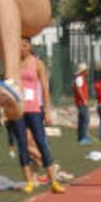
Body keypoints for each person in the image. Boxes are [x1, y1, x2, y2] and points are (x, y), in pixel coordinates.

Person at [13, 39, 66, 194]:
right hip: (18, 110)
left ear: (30, 46)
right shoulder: (14, 64)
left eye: (24, 45)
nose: (21, 48)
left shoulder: (38, 63)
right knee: (22, 145)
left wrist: (47, 111)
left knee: (42, 143)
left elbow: (44, 87)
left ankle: (54, 181)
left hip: (34, 109)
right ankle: (29, 181)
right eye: (19, 45)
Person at [73, 63, 93, 144]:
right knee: (85, 119)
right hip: (81, 102)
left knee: (82, 120)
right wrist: (84, 100)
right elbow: (79, 89)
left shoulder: (81, 78)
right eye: (86, 70)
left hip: (81, 102)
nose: (88, 71)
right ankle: (83, 137)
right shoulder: (79, 78)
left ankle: (81, 137)